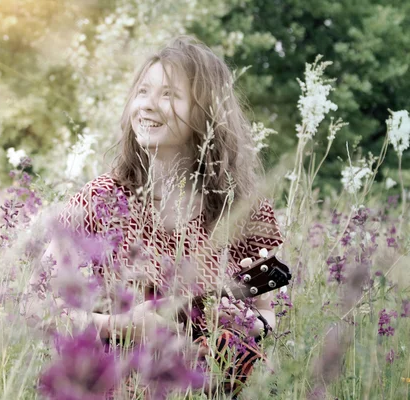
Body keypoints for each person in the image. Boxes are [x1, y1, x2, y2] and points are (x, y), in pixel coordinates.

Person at [28, 35, 285, 398]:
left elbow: (266, 315)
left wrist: (238, 327)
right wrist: (122, 326)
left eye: (168, 95)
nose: (148, 105)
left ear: (205, 111)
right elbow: (36, 306)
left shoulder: (243, 207)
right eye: (143, 91)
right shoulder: (101, 198)